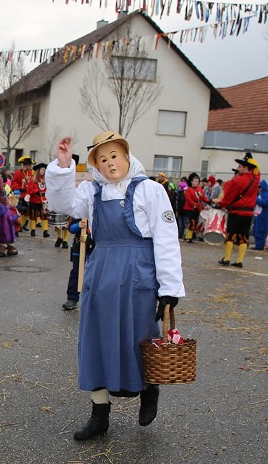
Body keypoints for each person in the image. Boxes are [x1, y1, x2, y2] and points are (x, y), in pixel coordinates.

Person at [46, 132, 184, 439]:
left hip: (138, 271)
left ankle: (149, 390)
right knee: (96, 337)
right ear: (96, 164)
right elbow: (63, 203)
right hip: (102, 270)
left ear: (126, 157)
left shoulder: (150, 190)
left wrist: (170, 288)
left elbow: (165, 239)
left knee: (139, 336)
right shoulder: (91, 191)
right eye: (103, 159)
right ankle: (99, 413)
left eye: (114, 156)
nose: (110, 164)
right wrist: (64, 166)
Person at [215, 154, 260, 268]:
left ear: (245, 168)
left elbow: (228, 198)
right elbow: (258, 171)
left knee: (230, 235)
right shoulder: (256, 180)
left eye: (240, 166)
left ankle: (227, 258)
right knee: (244, 237)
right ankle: (239, 260)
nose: (238, 168)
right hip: (249, 212)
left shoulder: (237, 181)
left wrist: (220, 203)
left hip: (236, 212)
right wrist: (250, 159)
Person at [180, 173, 206, 243]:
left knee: (195, 222)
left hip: (198, 208)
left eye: (197, 181)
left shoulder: (199, 189)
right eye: (194, 181)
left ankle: (190, 235)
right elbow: (188, 199)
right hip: (190, 208)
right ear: (191, 182)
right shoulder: (189, 190)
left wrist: (209, 201)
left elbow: (203, 197)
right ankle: (188, 236)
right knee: (191, 222)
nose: (196, 183)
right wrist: (194, 204)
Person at [0, 191, 20, 257]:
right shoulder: (8, 212)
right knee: (9, 242)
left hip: (0, 229)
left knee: (3, 242)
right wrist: (17, 215)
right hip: (8, 229)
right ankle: (11, 250)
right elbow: (11, 219)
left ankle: (2, 252)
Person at [252, 177, 268, 250]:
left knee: (260, 231)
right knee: (255, 230)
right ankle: (257, 245)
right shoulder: (261, 194)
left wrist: (255, 198)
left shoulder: (267, 195)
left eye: (260, 187)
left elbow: (264, 203)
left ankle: (259, 246)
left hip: (264, 216)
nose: (258, 188)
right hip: (258, 215)